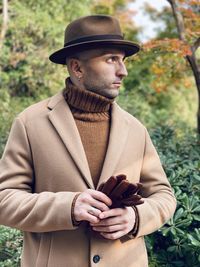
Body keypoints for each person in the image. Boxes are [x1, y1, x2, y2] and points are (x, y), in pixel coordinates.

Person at [0, 15, 176, 267]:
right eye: (110, 59)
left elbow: (164, 196)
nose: (123, 71)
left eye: (122, 60)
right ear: (77, 68)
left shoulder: (136, 129)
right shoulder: (30, 123)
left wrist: (135, 217)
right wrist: (68, 206)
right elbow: (4, 199)